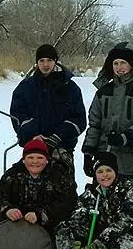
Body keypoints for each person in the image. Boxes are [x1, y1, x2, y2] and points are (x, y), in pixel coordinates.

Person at [81, 42, 133, 248]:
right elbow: (95, 124)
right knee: (105, 204)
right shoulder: (103, 92)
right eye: (115, 63)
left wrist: (126, 137)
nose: (119, 67)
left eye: (123, 63)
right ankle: (104, 246)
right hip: (107, 156)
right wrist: (88, 152)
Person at [9, 44, 86, 172]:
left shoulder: (70, 87)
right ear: (36, 63)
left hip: (62, 150)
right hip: (34, 151)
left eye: (49, 60)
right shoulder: (24, 87)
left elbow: (79, 118)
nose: (45, 64)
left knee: (64, 190)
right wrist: (33, 134)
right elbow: (17, 115)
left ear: (55, 61)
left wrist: (58, 135)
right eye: (41, 60)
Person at [0, 139, 77, 235]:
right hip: (16, 222)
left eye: (40, 158)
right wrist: (6, 210)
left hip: (50, 225)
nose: (35, 162)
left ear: (47, 160)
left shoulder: (60, 176)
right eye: (30, 157)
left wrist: (41, 215)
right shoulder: (12, 174)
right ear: (23, 160)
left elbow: (69, 202)